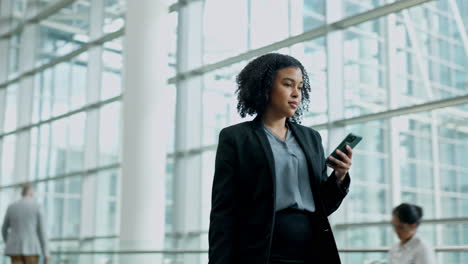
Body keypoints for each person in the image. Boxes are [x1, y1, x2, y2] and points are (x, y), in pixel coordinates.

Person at [208, 53, 353, 264]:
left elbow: (324, 205)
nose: (296, 93)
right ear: (265, 87)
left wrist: (339, 177)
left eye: (300, 87)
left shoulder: (311, 138)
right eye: (288, 85)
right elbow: (223, 212)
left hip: (312, 250)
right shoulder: (236, 138)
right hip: (262, 252)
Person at [2, 184, 49, 264]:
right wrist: (46, 252)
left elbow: (3, 229)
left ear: (22, 193)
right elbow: (42, 231)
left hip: (15, 249)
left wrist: (9, 242)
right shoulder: (37, 206)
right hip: (32, 249)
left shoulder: (11, 207)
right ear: (31, 193)